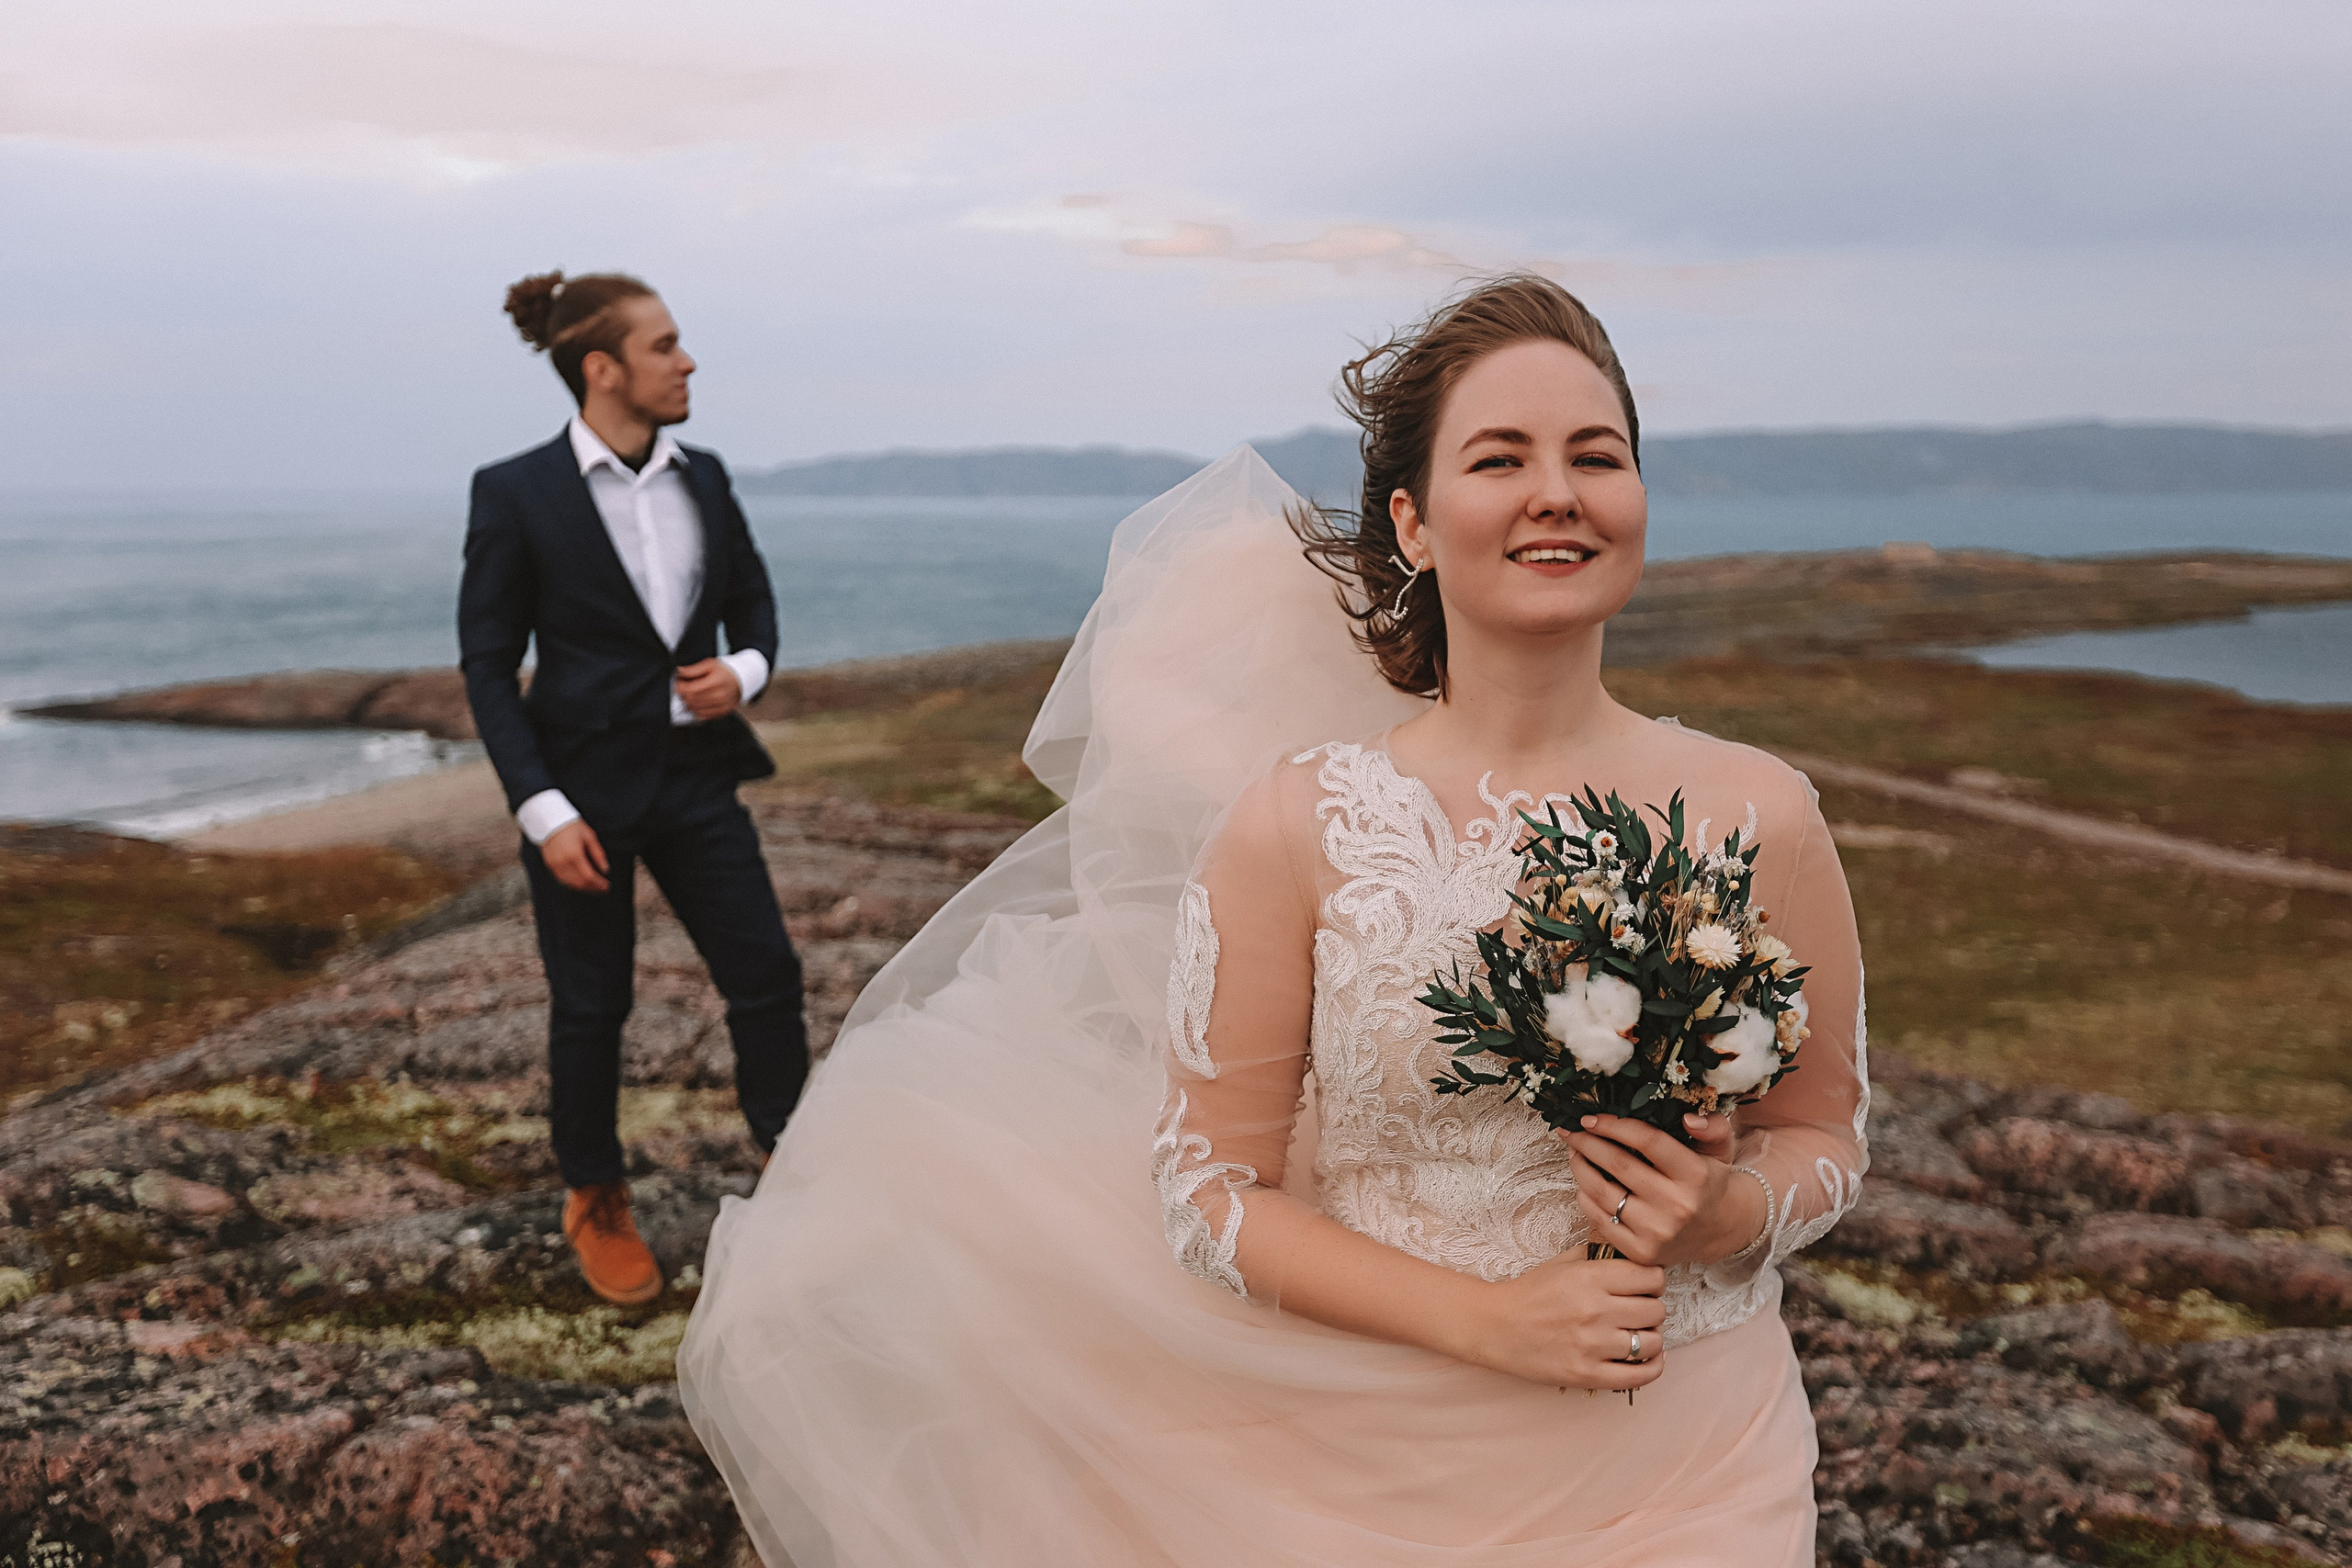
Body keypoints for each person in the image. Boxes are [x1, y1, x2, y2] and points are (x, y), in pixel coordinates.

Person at [678, 276, 1867, 1564]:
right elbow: (1209, 1188)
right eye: (1500, 457)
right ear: (1412, 521)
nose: (1558, 493)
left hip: (1694, 1461)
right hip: (1361, 1469)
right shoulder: (1294, 826)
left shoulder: (1765, 812)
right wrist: (1487, 1318)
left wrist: (1725, 1216)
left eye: (1598, 455)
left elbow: (1822, 1125)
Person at [459, 270, 808, 1306]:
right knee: (590, 1005)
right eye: (665, 345)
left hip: (698, 777)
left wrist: (739, 675)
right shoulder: (513, 492)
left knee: (767, 976)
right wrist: (542, 809)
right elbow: (486, 664)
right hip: (579, 796)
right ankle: (594, 1196)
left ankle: (794, 1166)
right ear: (602, 368)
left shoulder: (705, 476)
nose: (687, 360)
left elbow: (754, 612)